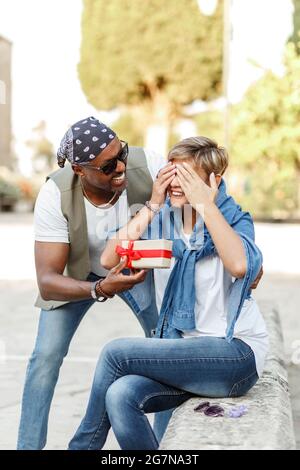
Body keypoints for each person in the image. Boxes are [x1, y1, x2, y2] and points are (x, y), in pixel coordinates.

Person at [68, 136, 268, 451]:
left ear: (212, 182)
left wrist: (205, 204)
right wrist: (153, 204)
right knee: (120, 395)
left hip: (235, 354)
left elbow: (240, 265)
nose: (176, 184)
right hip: (185, 355)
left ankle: (80, 448)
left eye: (186, 177)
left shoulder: (232, 219)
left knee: (115, 352)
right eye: (171, 173)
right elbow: (108, 259)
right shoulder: (163, 223)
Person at [17, 116, 167, 450]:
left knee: (166, 344)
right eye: (108, 165)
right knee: (44, 357)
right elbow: (47, 281)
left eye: (122, 154)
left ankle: (170, 445)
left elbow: (200, 181)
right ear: (79, 170)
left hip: (133, 267)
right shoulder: (55, 194)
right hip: (80, 274)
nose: (121, 167)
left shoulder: (150, 164)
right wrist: (98, 289)